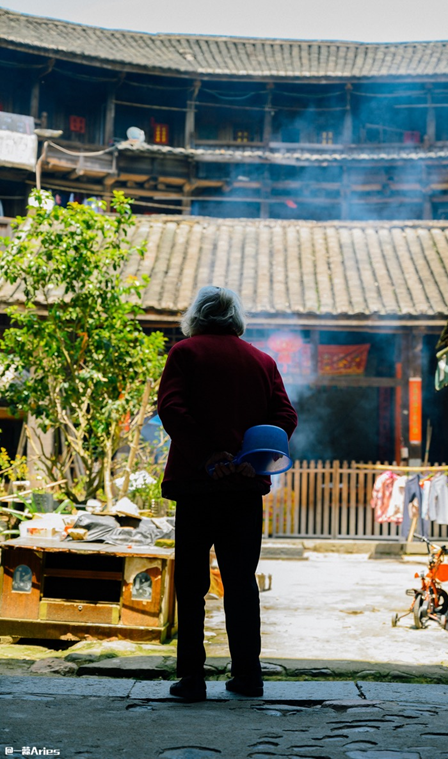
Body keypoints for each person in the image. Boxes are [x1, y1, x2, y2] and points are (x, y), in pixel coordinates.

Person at [158, 285, 297, 703]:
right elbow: (285, 417)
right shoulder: (262, 361)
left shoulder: (184, 353)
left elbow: (171, 409)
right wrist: (250, 457)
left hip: (198, 486)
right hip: (242, 488)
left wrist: (207, 455)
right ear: (236, 316)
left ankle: (193, 679)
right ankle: (248, 676)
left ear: (195, 315)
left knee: (192, 582)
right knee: (240, 582)